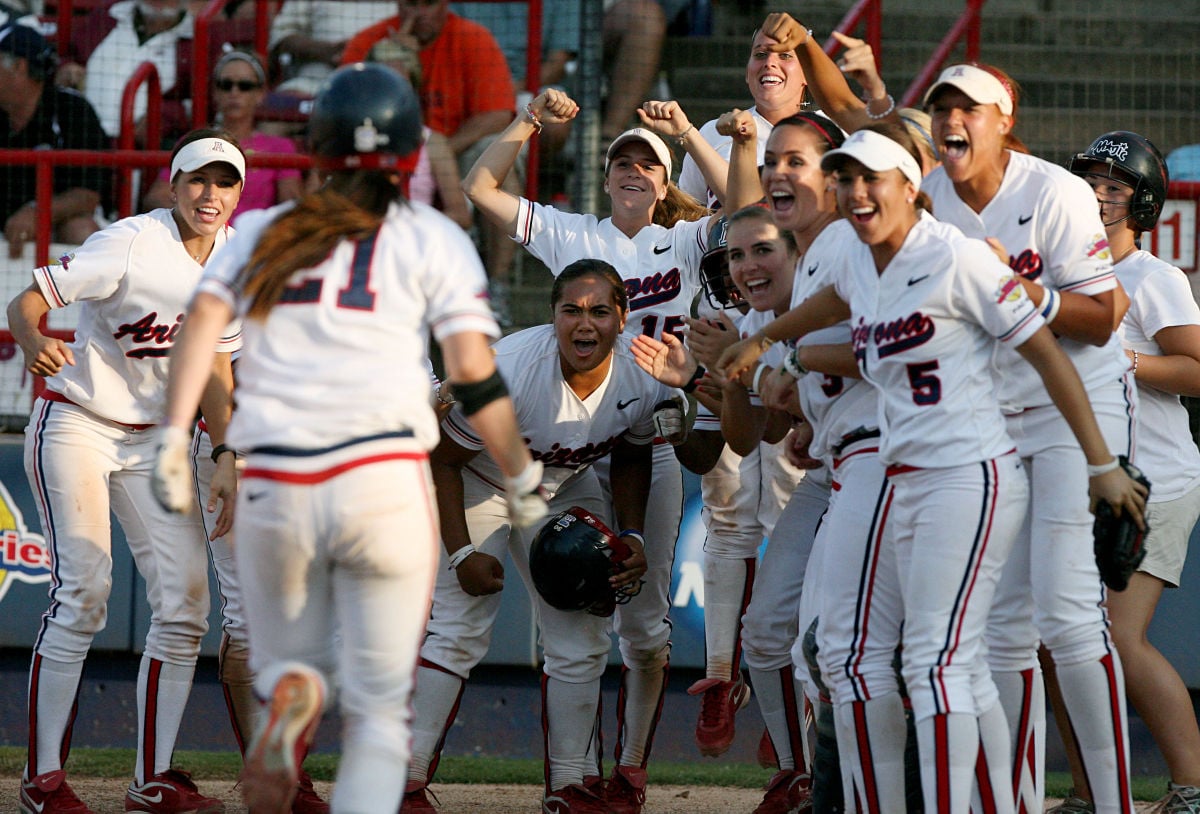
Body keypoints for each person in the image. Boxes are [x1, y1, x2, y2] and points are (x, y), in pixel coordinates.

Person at [151, 63, 547, 814]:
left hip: (277, 481)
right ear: (406, 153)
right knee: (376, 719)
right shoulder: (432, 236)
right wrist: (522, 477)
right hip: (382, 477)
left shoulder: (265, 231)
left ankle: (291, 692)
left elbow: (199, 328)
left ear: (318, 148)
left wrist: (177, 440)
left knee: (284, 665)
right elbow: (475, 375)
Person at [717, 124, 1148, 814]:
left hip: (966, 471)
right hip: (902, 469)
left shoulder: (957, 256)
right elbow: (834, 307)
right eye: (847, 179)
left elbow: (1048, 355)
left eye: (871, 179)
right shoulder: (864, 259)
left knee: (937, 661)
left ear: (912, 189)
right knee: (900, 659)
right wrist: (771, 340)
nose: (857, 191)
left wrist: (1101, 462)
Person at [463, 88, 735, 812]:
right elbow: (479, 186)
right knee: (579, 622)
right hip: (576, 435)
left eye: (648, 163)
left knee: (644, 625)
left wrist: (686, 130)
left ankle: (632, 770)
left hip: (654, 430)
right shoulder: (569, 232)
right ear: (606, 175)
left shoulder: (684, 238)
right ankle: (573, 776)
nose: (634, 171)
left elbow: (744, 213)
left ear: (665, 180)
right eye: (623, 160)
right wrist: (525, 120)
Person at [915, 63, 1141, 814]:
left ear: (1002, 120)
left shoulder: (1055, 191)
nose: (953, 119)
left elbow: (1102, 316)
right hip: (992, 413)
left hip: (1076, 405)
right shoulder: (930, 198)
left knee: (1069, 611)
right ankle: (1012, 803)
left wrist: (1013, 288)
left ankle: (1111, 804)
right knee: (1002, 629)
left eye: (969, 109)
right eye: (942, 107)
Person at [7, 128, 243, 814]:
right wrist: (32, 341)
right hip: (78, 422)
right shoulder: (131, 242)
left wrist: (224, 452)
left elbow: (219, 367)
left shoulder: (233, 261)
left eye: (224, 181)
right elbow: (27, 301)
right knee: (84, 591)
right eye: (198, 179)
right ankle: (42, 780)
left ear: (238, 192)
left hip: (155, 443)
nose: (210, 194)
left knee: (187, 605)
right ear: (173, 186)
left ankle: (152, 779)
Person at [404, 259, 674, 814]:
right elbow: (444, 461)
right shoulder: (507, 370)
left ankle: (570, 786)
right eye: (571, 310)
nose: (584, 323)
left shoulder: (642, 372)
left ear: (623, 318)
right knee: (459, 627)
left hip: (564, 485)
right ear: (551, 315)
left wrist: (632, 535)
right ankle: (403, 783)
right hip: (481, 478)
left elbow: (629, 451)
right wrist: (460, 554)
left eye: (600, 311)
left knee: (582, 636)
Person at [1060, 133, 1200, 814]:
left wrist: (1126, 361)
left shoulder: (1156, 278)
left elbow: (1199, 371)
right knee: (1057, 638)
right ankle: (1090, 793)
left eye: (1117, 184)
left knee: (1118, 636)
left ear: (1141, 201)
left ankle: (1192, 787)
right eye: (1091, 178)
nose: (1099, 191)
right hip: (1087, 482)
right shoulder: (1064, 275)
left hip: (1158, 482)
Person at [340, 0, 520, 304]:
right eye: (411, 5)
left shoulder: (473, 39)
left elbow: (499, 115)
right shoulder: (369, 41)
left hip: (447, 149)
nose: (419, 13)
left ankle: (497, 285)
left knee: (498, 166)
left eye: (428, 4)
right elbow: (340, 109)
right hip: (376, 152)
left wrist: (431, 155)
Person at [142, 50, 303, 224]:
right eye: (226, 85)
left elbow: (291, 206)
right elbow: (157, 197)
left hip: (253, 244)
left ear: (260, 93)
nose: (234, 92)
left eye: (245, 85)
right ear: (215, 93)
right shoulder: (194, 142)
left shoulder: (280, 148)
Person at [0, 20, 110, 259]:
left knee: (80, 230)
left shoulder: (72, 109)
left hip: (57, 223)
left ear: (19, 66)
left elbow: (87, 195)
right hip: (6, 226)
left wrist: (36, 212)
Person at [367, 37, 472, 229]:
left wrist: (407, 227)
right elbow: (315, 197)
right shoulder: (345, 134)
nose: (390, 92)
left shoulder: (433, 143)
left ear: (413, 88)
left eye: (398, 84)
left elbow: (461, 215)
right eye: (381, 83)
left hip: (413, 237)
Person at [80, 0, 195, 140]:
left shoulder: (198, 37)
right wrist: (68, 68)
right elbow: (71, 54)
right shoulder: (106, 16)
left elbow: (204, 102)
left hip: (139, 147)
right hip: (80, 134)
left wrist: (164, 115)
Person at [268, 0, 396, 96]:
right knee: (273, 119)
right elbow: (281, 38)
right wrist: (326, 51)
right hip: (314, 85)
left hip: (382, 88)